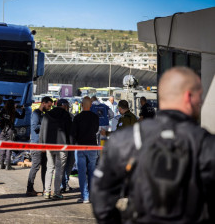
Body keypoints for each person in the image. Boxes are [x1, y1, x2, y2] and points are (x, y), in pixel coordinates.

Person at [91, 67, 215, 223]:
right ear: (188, 96)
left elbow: (100, 196)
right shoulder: (207, 145)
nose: (202, 101)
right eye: (200, 96)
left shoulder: (125, 140)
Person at [40, 98, 72, 200]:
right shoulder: (66, 115)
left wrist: (42, 144)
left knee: (50, 168)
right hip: (62, 146)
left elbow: (42, 130)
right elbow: (70, 132)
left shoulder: (47, 115)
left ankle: (47, 192)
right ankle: (57, 192)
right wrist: (71, 144)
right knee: (59, 169)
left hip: (49, 145)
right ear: (64, 105)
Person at [71, 96, 99, 203]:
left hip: (80, 147)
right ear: (91, 105)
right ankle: (92, 196)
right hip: (92, 146)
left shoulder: (77, 117)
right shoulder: (95, 117)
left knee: (82, 172)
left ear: (82, 105)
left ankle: (85, 196)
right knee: (92, 171)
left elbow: (73, 133)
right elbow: (96, 130)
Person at [26, 96, 53, 196]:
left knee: (45, 168)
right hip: (36, 144)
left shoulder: (43, 114)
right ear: (43, 103)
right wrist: (46, 125)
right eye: (49, 106)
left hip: (43, 145)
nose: (50, 108)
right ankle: (29, 188)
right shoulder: (36, 113)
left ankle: (46, 189)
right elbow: (34, 127)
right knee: (35, 166)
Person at [0, 99, 25, 170]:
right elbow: (21, 117)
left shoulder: (3, 110)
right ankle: (8, 165)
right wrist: (23, 109)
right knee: (9, 148)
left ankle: (1, 165)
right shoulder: (13, 112)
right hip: (10, 131)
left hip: (2, 131)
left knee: (2, 148)